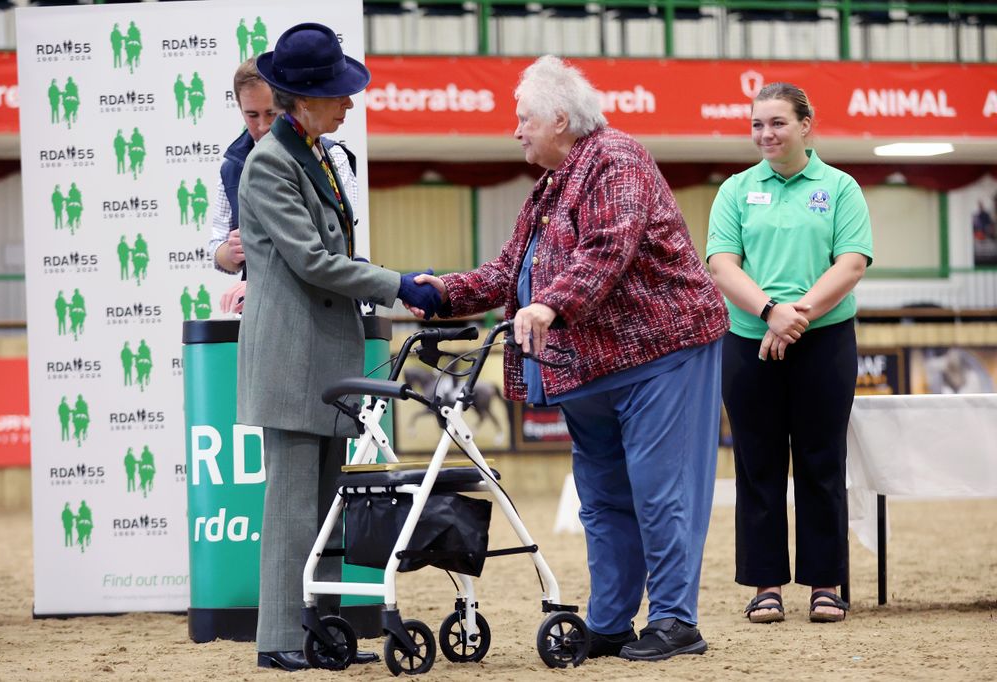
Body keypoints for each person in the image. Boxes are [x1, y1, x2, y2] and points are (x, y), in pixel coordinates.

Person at [412, 55, 729, 663]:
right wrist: (445, 291)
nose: (516, 130)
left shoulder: (618, 158)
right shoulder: (551, 186)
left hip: (661, 352)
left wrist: (552, 303)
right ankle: (611, 622)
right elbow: (510, 272)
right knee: (604, 499)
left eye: (523, 118)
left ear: (559, 117)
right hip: (589, 369)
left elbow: (610, 246)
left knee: (661, 493)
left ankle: (674, 621)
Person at [236, 22, 439, 672]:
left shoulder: (315, 153)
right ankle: (277, 640)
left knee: (323, 510)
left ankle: (316, 630)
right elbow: (315, 262)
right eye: (338, 96)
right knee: (294, 508)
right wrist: (399, 284)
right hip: (292, 360)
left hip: (322, 354)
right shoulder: (272, 163)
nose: (348, 105)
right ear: (304, 99)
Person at [706, 82, 873, 625]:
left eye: (776, 122)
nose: (765, 134)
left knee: (823, 461)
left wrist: (794, 316)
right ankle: (765, 586)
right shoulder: (734, 190)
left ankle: (827, 583)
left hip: (823, 342)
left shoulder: (840, 187)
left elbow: (850, 263)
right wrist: (769, 312)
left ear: (806, 124)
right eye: (757, 124)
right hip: (749, 339)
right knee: (758, 463)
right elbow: (722, 265)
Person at [208, 57, 360, 315]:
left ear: (288, 106)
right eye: (251, 115)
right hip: (262, 314)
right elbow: (217, 248)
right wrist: (230, 252)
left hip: (324, 308)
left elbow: (331, 247)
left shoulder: (332, 158)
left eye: (271, 113)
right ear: (239, 108)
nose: (263, 125)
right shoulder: (232, 167)